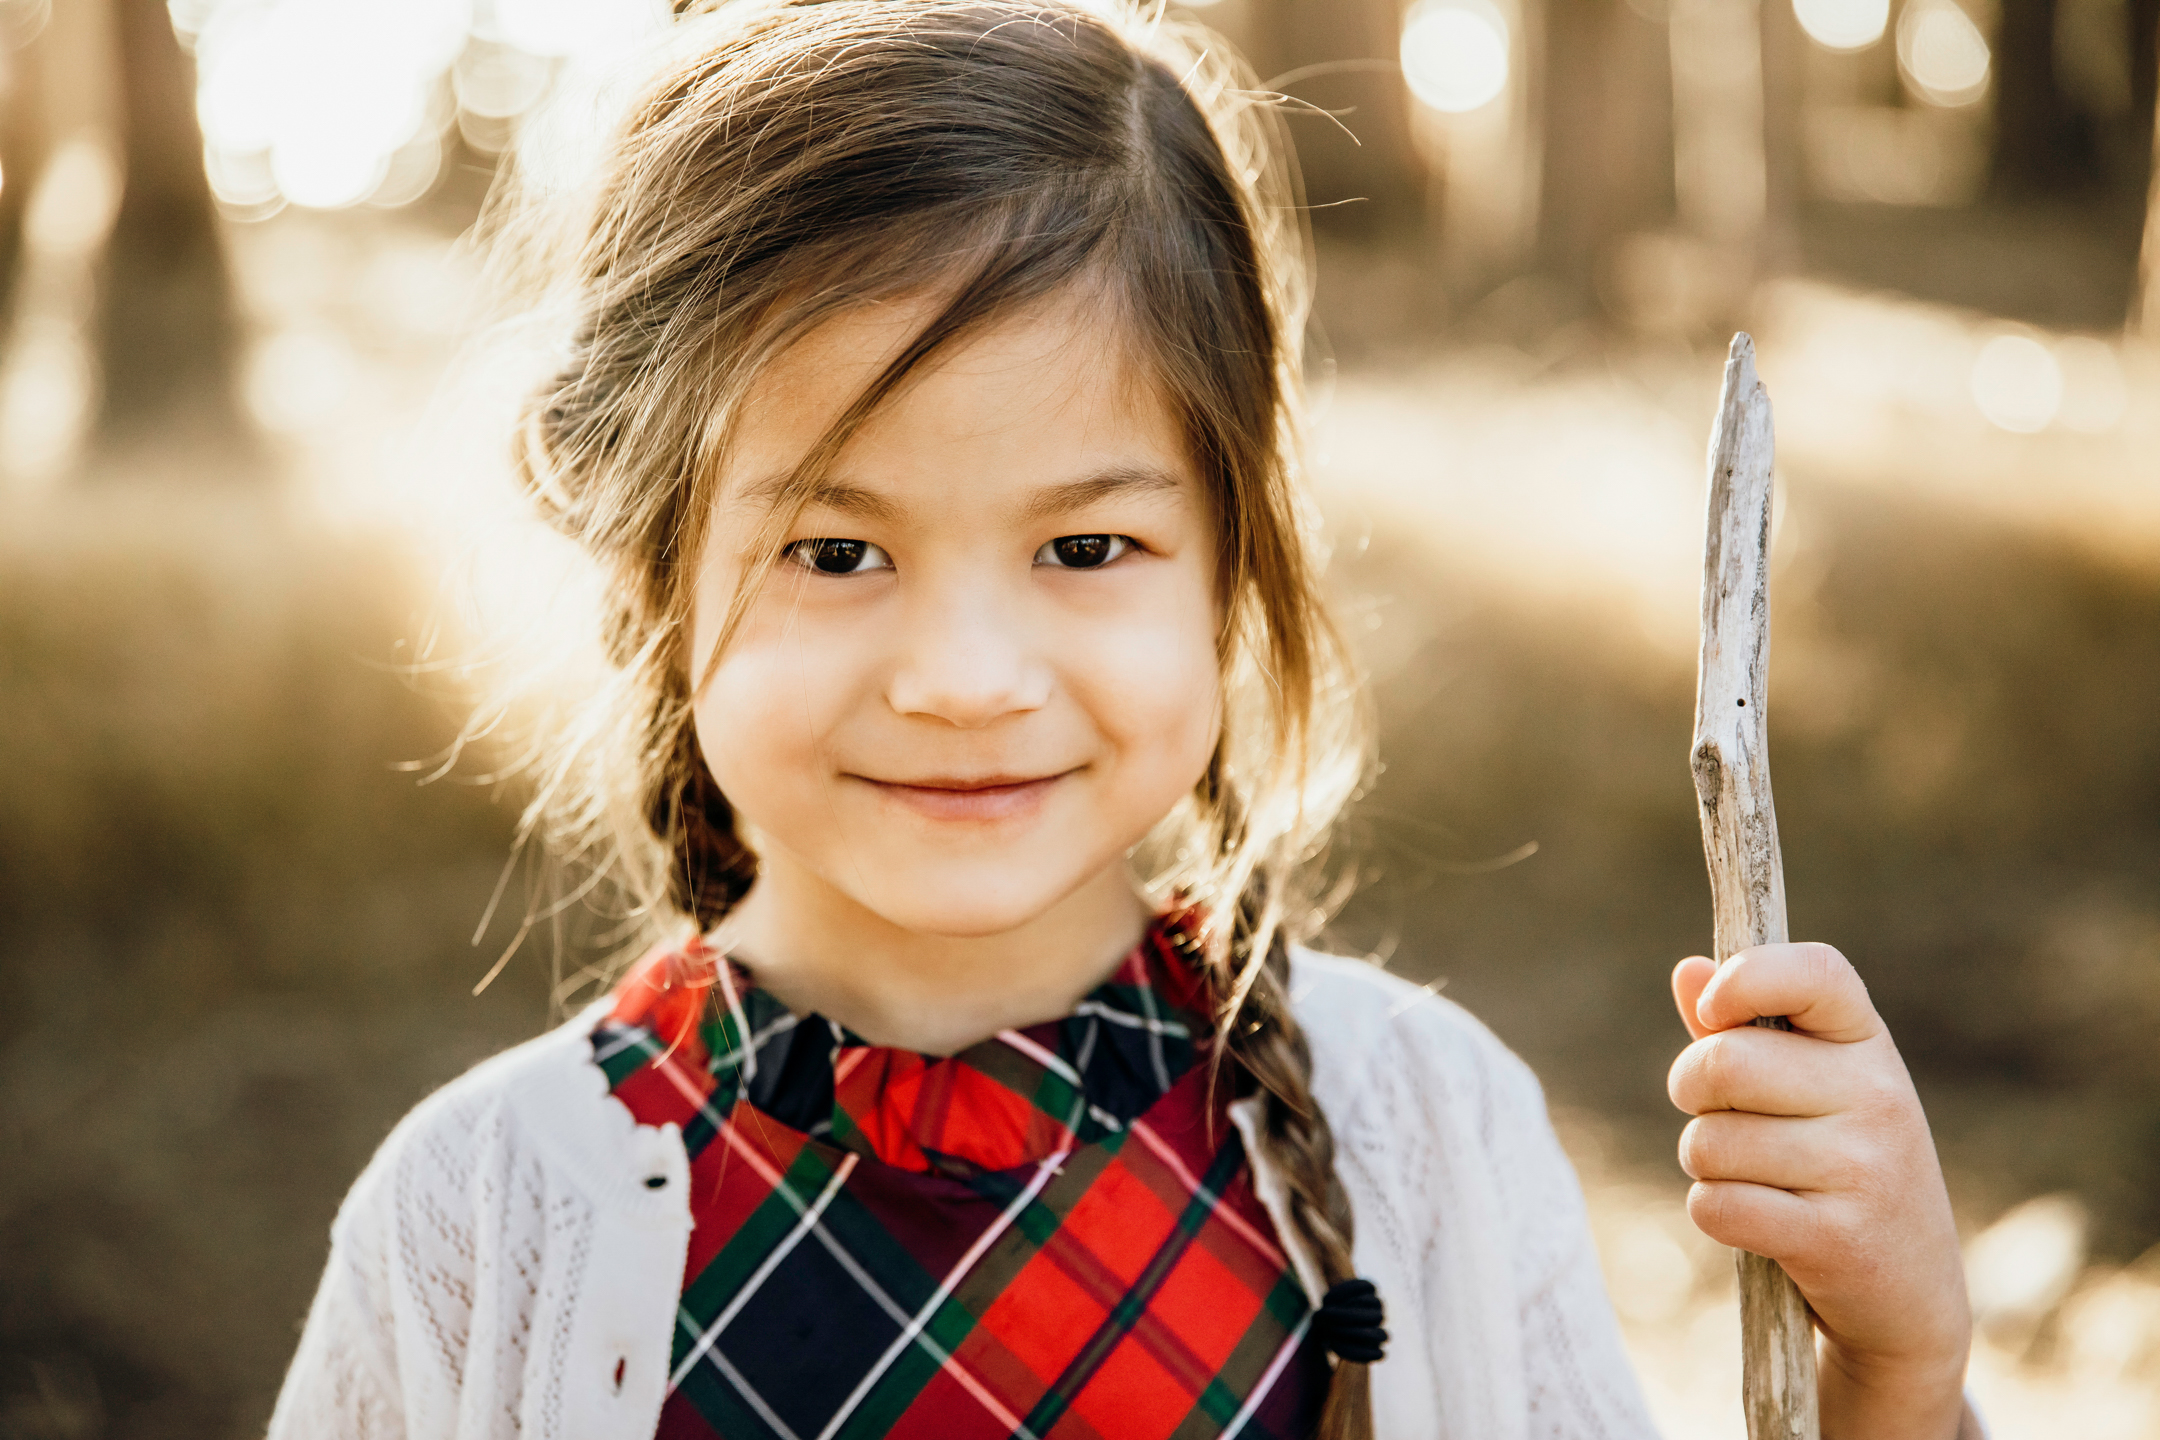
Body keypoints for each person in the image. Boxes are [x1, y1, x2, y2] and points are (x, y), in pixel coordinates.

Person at [269, 3, 1980, 1436]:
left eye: (1087, 546)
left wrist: (1894, 1363)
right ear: (650, 571)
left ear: (1233, 570)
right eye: (836, 547)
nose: (964, 674)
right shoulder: (483, 1227)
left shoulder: (1429, 1136)